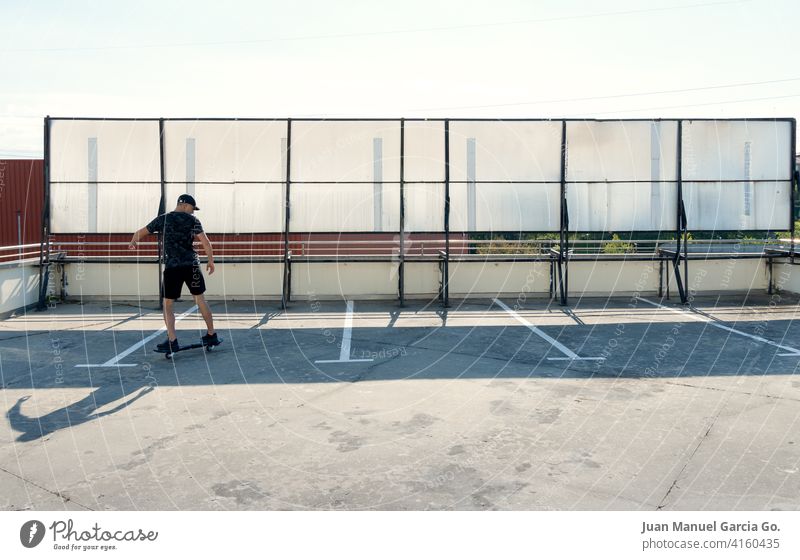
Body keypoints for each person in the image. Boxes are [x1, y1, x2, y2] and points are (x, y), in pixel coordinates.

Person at [128, 194, 217, 352]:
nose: (192, 212)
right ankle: (211, 334)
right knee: (200, 300)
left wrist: (133, 241)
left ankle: (172, 340)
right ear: (183, 205)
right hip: (192, 266)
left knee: (168, 304)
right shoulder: (193, 221)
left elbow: (140, 232)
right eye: (191, 208)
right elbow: (206, 242)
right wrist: (211, 261)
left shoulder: (163, 219)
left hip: (173, 267)